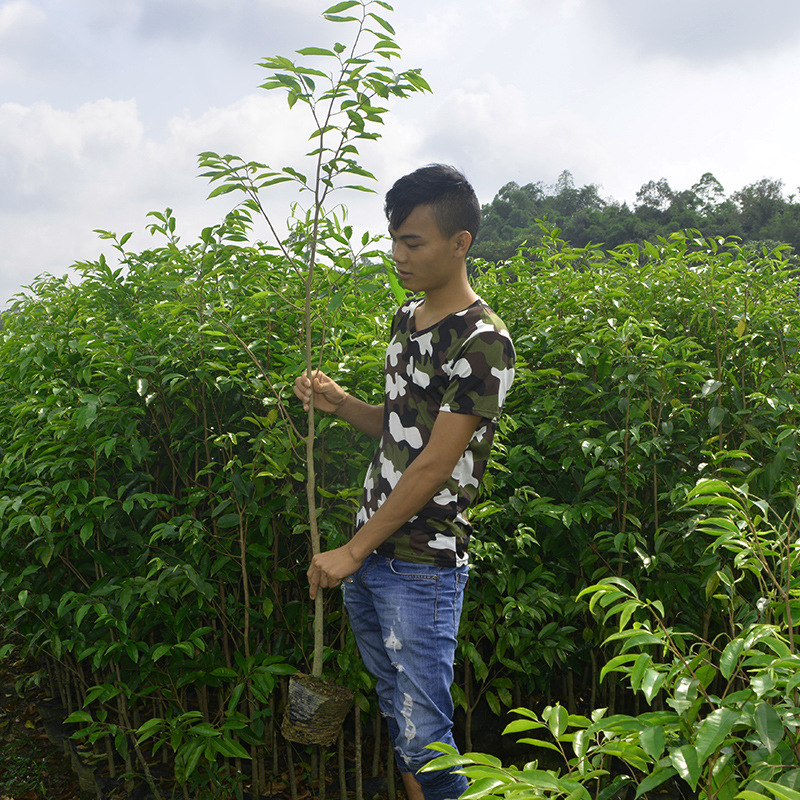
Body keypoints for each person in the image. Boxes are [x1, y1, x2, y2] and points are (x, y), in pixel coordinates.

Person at [294, 164, 515, 800]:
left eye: (412, 242)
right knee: (401, 717)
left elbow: (434, 465)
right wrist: (339, 405)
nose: (398, 255)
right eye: (393, 239)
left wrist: (352, 551)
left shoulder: (483, 342)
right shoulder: (406, 319)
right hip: (371, 553)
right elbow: (399, 432)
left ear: (461, 242)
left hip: (421, 564)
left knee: (427, 738)